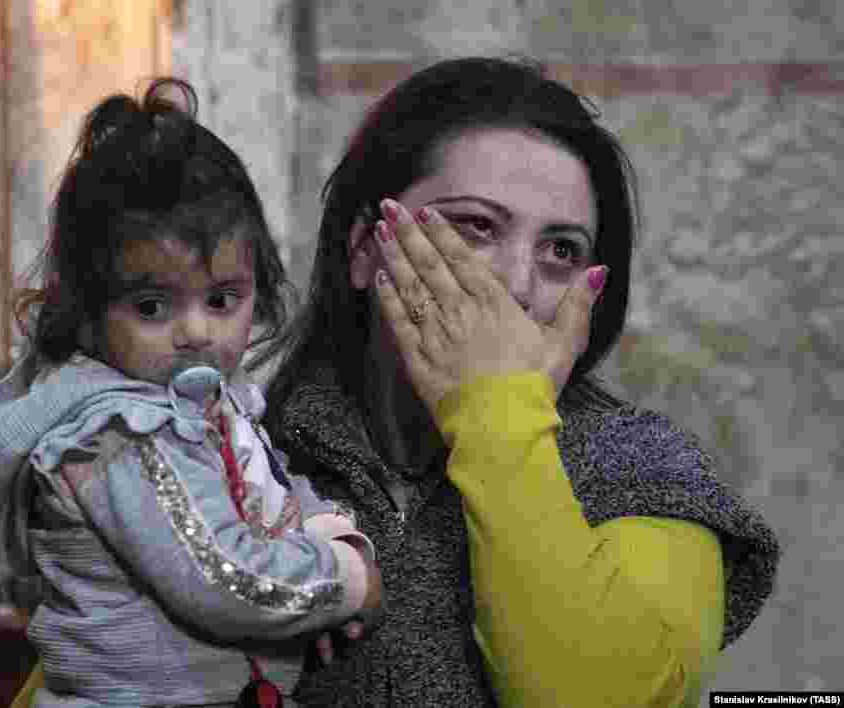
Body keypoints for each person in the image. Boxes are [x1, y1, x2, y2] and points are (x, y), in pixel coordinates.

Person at [258, 56, 780, 707]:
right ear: (368, 248)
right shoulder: (254, 456)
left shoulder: (645, 472)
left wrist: (494, 413)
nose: (518, 287)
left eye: (562, 250)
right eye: (476, 226)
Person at [0, 78, 381, 708]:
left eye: (224, 298)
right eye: (151, 305)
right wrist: (347, 579)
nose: (196, 331)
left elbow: (269, 490)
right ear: (86, 313)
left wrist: (328, 529)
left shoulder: (204, 401)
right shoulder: (119, 433)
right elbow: (225, 579)